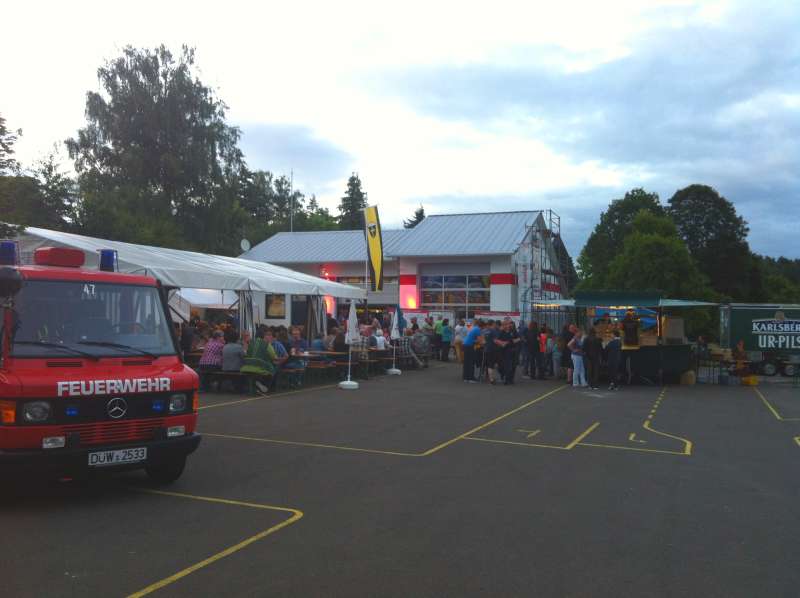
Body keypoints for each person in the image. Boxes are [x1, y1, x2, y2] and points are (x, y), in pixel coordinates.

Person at [240, 326, 278, 394]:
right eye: (268, 335)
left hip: (246, 367)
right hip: (259, 367)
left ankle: (258, 385)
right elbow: (274, 357)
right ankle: (265, 386)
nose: (269, 336)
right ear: (264, 335)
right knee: (273, 369)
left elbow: (245, 353)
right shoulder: (266, 344)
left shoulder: (250, 342)